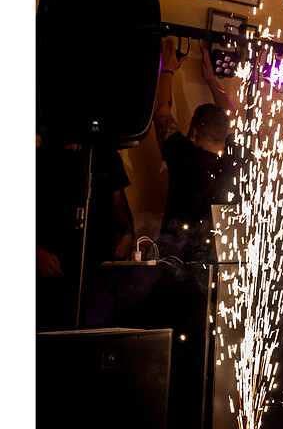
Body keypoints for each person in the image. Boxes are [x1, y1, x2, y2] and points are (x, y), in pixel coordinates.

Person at [153, 37, 239, 261]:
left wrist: (168, 69)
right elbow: (231, 115)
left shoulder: (182, 154)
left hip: (174, 260)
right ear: (224, 133)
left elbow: (162, 111)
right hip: (218, 262)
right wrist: (211, 79)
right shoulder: (236, 161)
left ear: (193, 132)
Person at [35, 140, 136, 330]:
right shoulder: (40, 157)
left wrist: (127, 234)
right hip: (50, 274)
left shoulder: (106, 156)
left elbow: (120, 206)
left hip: (95, 275)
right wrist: (36, 252)